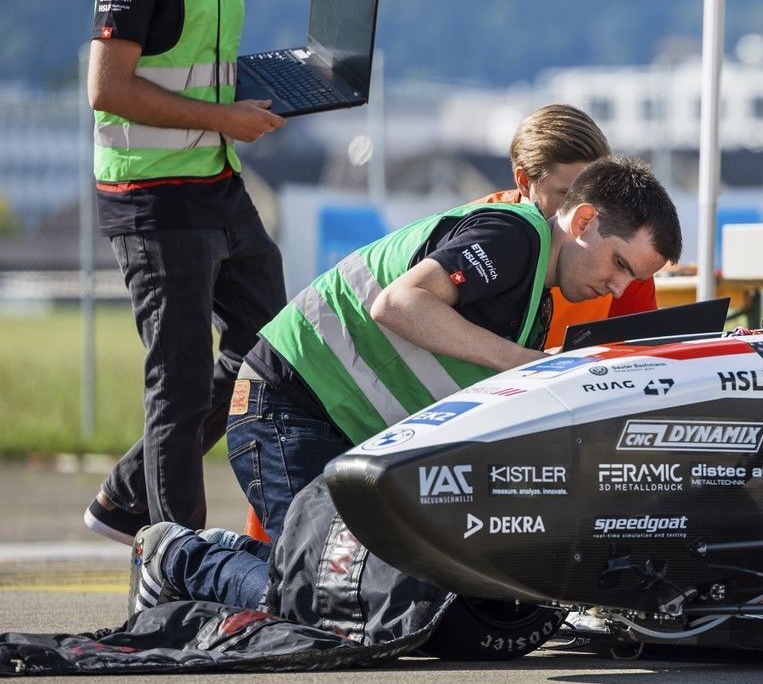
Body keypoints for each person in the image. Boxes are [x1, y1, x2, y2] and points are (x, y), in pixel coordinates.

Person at [226, 155, 682, 538]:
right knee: (326, 587)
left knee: (355, 591)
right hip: (288, 405)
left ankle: (197, 563)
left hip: (327, 419)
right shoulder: (514, 238)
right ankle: (180, 559)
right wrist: (529, 365)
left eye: (634, 278)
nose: (620, 289)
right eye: (620, 263)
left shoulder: (535, 295)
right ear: (584, 220)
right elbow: (399, 304)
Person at [84, 0, 287, 543]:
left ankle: (125, 495)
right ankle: (178, 562)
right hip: (153, 196)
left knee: (272, 343)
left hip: (214, 177)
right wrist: (222, 115)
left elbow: (192, 61)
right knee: (177, 385)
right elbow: (109, 89)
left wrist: (276, 85)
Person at [471, 104, 660, 346]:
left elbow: (642, 351)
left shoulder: (625, 251)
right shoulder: (476, 234)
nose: (586, 210)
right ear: (524, 181)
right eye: (568, 194)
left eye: (598, 194)